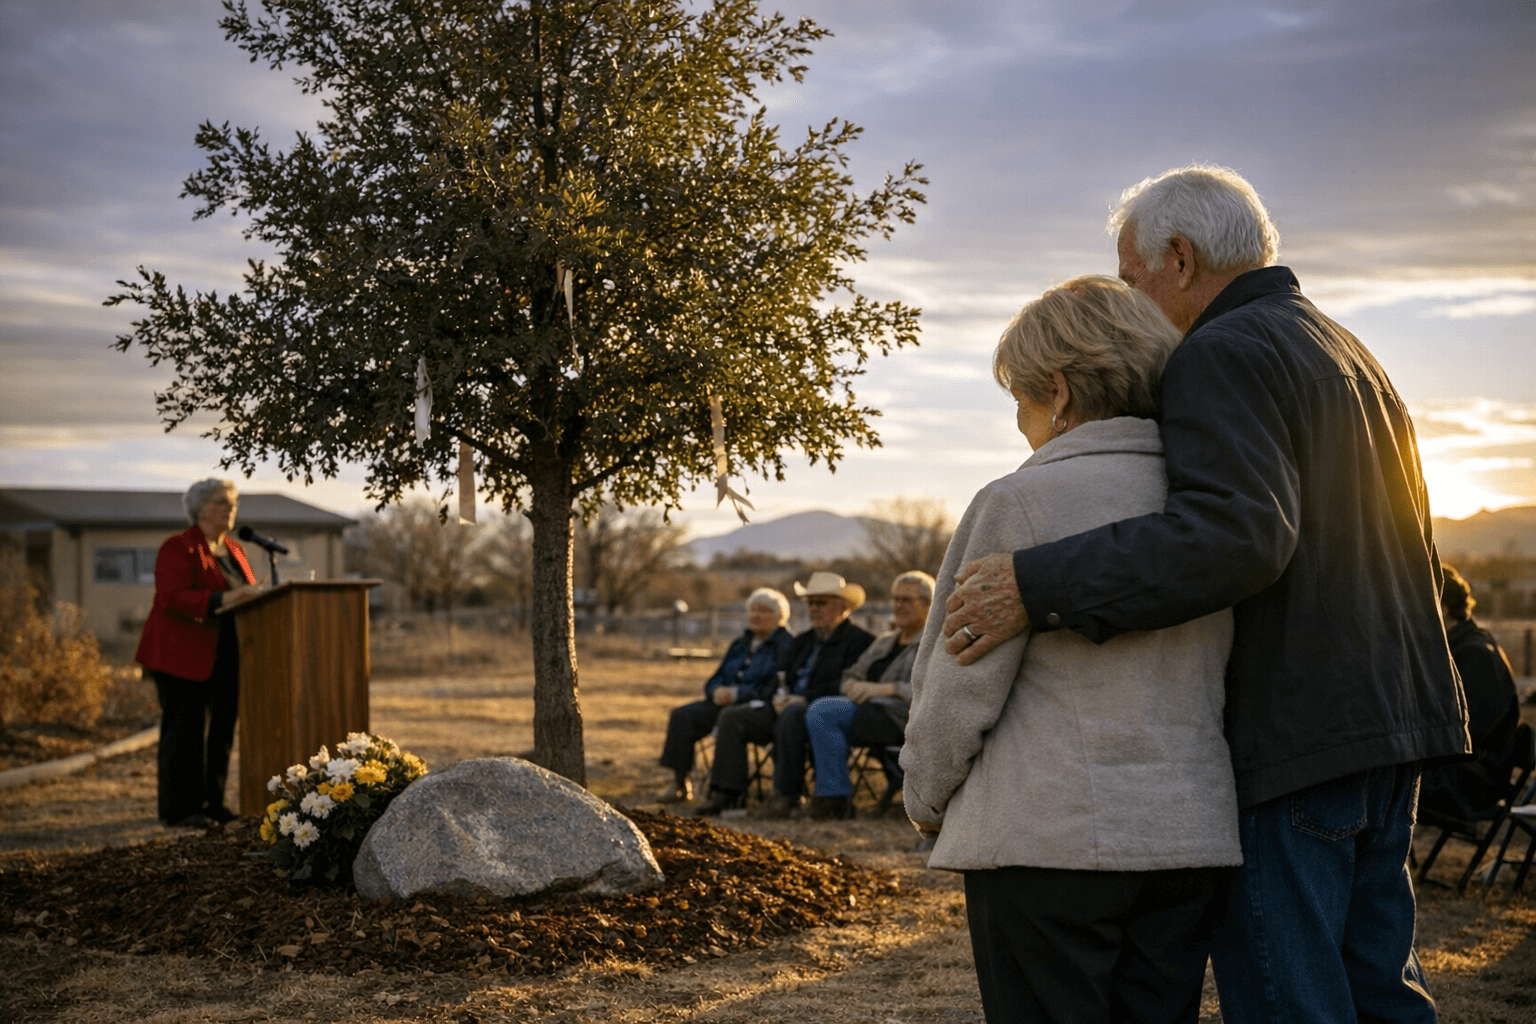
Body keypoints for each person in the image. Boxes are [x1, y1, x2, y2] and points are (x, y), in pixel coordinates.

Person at [938, 165, 1467, 1023]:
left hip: (1296, 733)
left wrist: (1038, 582)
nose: (1128, 294)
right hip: (1389, 722)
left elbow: (1237, 534)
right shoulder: (1346, 350)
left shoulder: (1220, 353)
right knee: (1380, 992)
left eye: (1129, 274)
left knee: (1289, 997)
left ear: (1178, 260)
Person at [902, 276, 1240, 1024]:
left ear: (1057, 391)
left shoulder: (1019, 501)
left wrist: (925, 794)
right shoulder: (1213, 506)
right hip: (1187, 835)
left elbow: (960, 679)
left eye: (1020, 402)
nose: (1019, 426)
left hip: (1047, 837)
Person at [135, 478, 262, 827]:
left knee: (221, 731)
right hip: (181, 655)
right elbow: (172, 598)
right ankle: (180, 810)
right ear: (203, 508)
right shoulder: (177, 548)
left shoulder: (235, 550)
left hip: (228, 652)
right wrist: (227, 598)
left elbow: (248, 592)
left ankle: (212, 805)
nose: (232, 508)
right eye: (224, 502)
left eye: (233, 502)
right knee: (185, 733)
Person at [695, 571, 874, 817]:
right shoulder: (802, 641)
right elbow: (777, 674)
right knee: (732, 717)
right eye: (810, 603)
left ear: (842, 607)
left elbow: (847, 684)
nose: (814, 609)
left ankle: (786, 796)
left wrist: (805, 697)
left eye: (820, 603)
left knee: (792, 714)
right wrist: (775, 696)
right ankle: (728, 795)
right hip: (782, 704)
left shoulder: (860, 642)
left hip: (820, 710)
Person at [804, 570, 933, 820]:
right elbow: (851, 674)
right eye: (896, 599)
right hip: (868, 712)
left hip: (903, 717)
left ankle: (835, 797)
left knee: (823, 712)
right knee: (815, 710)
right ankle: (818, 793)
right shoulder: (885, 642)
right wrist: (852, 687)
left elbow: (934, 690)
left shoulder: (934, 644)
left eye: (907, 600)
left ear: (928, 604)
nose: (898, 605)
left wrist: (888, 689)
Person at [653, 588, 794, 804]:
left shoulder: (787, 645)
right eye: (752, 610)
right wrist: (716, 690)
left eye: (763, 611)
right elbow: (716, 677)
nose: (756, 615)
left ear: (779, 616)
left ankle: (727, 793)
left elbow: (775, 686)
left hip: (760, 707)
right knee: (683, 715)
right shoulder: (740, 643)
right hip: (723, 702)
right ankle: (679, 783)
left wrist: (738, 693)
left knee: (730, 717)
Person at [1418, 564, 1521, 825]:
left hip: (1470, 785)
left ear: (1444, 606)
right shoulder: (1467, 645)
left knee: (1381, 783)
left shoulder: (1474, 655)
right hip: (1465, 774)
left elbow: (1463, 733)